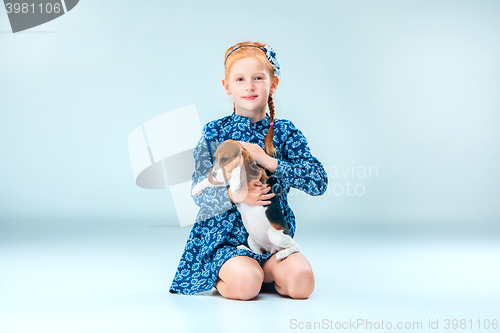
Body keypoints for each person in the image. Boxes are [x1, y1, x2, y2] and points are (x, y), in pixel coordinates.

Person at [169, 41, 328, 300]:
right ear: (227, 86)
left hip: (271, 239)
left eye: (258, 78)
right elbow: (198, 194)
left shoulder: (285, 132)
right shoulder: (215, 131)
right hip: (226, 241)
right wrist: (238, 195)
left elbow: (318, 182)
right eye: (240, 79)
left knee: (302, 284)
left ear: (273, 84)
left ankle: (263, 269)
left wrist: (269, 161)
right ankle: (223, 271)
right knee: (246, 285)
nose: (250, 86)